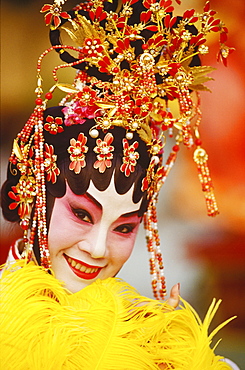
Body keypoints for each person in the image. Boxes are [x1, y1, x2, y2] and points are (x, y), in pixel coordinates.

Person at [0, 0, 239, 368]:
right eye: (81, 213)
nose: (98, 249)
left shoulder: (148, 338)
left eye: (124, 227)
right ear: (33, 193)